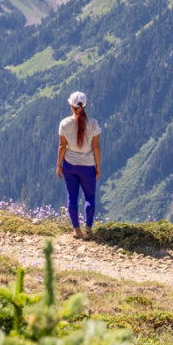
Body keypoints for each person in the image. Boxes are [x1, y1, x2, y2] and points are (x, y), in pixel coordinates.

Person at [56, 91, 101, 238]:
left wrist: (59, 165)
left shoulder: (64, 124)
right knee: (89, 198)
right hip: (88, 166)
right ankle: (88, 228)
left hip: (70, 165)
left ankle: (77, 231)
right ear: (85, 105)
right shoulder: (93, 124)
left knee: (72, 198)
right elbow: (96, 147)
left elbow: (62, 146)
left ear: (71, 105)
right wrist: (98, 166)